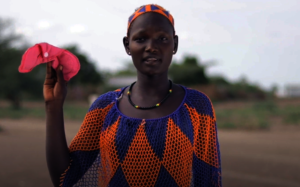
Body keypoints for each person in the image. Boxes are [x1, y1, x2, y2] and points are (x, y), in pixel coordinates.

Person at [44, 4, 222, 187]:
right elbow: (63, 178)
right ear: (127, 45)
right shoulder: (105, 107)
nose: (151, 47)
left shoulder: (196, 106)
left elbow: (209, 180)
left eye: (162, 38)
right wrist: (53, 107)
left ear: (175, 44)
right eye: (141, 39)